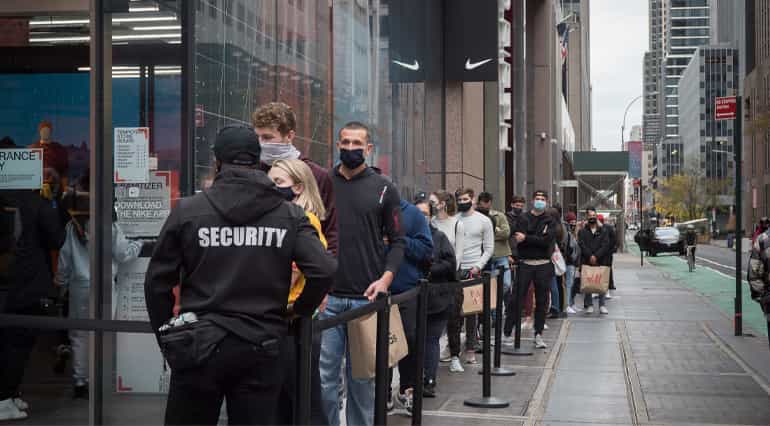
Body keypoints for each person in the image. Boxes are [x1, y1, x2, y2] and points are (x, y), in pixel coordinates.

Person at [144, 125, 336, 426]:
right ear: (258, 161)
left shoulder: (189, 211)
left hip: (199, 343)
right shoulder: (289, 215)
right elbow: (324, 268)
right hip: (262, 344)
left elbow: (157, 282)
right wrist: (299, 311)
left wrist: (166, 335)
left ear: (217, 162)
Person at [319, 121, 405, 426]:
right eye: (345, 142)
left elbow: (398, 242)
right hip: (327, 300)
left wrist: (385, 279)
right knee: (323, 382)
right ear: (337, 145)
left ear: (368, 149)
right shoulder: (323, 183)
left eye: (357, 143)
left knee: (362, 384)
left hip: (365, 301)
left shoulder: (384, 188)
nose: (350, 148)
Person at [55, 175, 142, 399]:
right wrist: (139, 243)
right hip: (104, 284)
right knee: (102, 333)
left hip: (79, 286)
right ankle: (99, 378)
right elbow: (122, 254)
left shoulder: (72, 226)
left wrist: (61, 285)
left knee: (79, 335)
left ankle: (80, 381)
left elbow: (64, 260)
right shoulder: (109, 225)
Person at [266, 158, 329, 425]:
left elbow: (298, 270)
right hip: (289, 319)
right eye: (270, 181)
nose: (271, 186)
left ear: (299, 187)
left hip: (293, 320)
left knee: (303, 400)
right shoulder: (290, 217)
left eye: (278, 181)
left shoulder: (303, 220)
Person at [0, 183, 66, 420]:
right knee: (18, 344)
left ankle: (10, 394)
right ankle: (4, 398)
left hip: (8, 282)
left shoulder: (9, 199)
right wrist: (53, 203)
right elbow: (57, 238)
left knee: (9, 342)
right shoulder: (34, 201)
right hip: (26, 283)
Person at [253, 102, 338, 254]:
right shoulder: (253, 172)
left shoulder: (317, 175)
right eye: (257, 137)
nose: (261, 143)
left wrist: (326, 264)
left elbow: (330, 231)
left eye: (267, 137)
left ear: (289, 136)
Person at [386, 198, 432, 415]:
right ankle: (383, 393)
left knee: (409, 341)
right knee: (379, 345)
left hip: (406, 291)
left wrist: (400, 241)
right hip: (374, 293)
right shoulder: (369, 210)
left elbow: (426, 250)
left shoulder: (413, 214)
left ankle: (407, 389)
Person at [414, 198, 456, 399]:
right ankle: (410, 383)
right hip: (410, 300)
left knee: (431, 340)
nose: (421, 217)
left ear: (431, 216)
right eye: (418, 213)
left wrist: (430, 270)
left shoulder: (439, 237)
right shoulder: (404, 236)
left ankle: (429, 381)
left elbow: (450, 264)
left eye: (425, 214)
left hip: (437, 299)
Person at [511, 190, 556, 349]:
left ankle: (538, 334)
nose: (539, 201)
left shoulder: (550, 220)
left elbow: (546, 241)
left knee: (542, 301)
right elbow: (518, 238)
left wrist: (527, 238)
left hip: (543, 264)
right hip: (525, 263)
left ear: (547, 202)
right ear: (532, 200)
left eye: (542, 199)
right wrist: (536, 238)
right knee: (517, 298)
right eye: (537, 198)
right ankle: (508, 331)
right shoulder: (523, 218)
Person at [455, 188, 494, 363]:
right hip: (456, 269)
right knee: (455, 312)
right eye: (459, 200)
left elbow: (489, 248)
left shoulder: (484, 221)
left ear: (472, 199)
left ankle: (470, 348)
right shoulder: (454, 219)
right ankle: (454, 348)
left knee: (471, 313)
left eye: (465, 199)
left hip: (473, 270)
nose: (462, 202)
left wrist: (478, 266)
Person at [430, 191, 467, 373]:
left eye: (433, 201)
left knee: (453, 317)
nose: (431, 204)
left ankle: (454, 355)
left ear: (443, 203)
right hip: (432, 276)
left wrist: (449, 270)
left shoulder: (457, 224)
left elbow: (458, 253)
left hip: (451, 276)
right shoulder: (430, 223)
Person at [578, 207, 611, 315]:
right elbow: (582, 244)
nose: (592, 217)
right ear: (587, 217)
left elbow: (605, 245)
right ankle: (589, 305)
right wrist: (590, 256)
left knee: (601, 282)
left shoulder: (603, 230)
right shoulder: (582, 231)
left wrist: (596, 256)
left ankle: (602, 305)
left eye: (594, 215)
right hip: (587, 260)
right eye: (590, 216)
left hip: (601, 260)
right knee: (588, 282)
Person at [477, 192, 512, 292]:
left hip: (501, 254)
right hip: (484, 256)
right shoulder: (476, 217)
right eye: (483, 202)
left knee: (506, 283)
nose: (485, 205)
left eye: (487, 202)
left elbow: (506, 233)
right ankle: (494, 301)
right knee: (488, 286)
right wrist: (495, 231)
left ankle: (499, 299)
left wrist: (487, 235)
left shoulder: (499, 216)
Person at [502, 195, 527, 341]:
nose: (519, 208)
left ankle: (517, 314)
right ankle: (507, 309)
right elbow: (505, 237)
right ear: (512, 205)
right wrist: (508, 254)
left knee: (518, 289)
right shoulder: (506, 218)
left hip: (522, 256)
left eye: (521, 205)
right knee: (508, 285)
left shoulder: (524, 218)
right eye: (517, 205)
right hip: (510, 255)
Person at [564, 212, 581, 313]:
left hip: (573, 262)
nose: (573, 224)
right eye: (571, 222)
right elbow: (570, 248)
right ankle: (567, 304)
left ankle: (571, 303)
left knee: (572, 283)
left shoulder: (574, 233)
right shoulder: (567, 233)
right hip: (569, 262)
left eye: (574, 222)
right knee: (569, 283)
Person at [601, 214, 618, 298]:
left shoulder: (606, 228)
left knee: (604, 269)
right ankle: (608, 286)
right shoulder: (609, 228)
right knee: (607, 269)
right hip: (607, 253)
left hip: (605, 253)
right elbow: (614, 240)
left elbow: (613, 240)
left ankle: (606, 288)